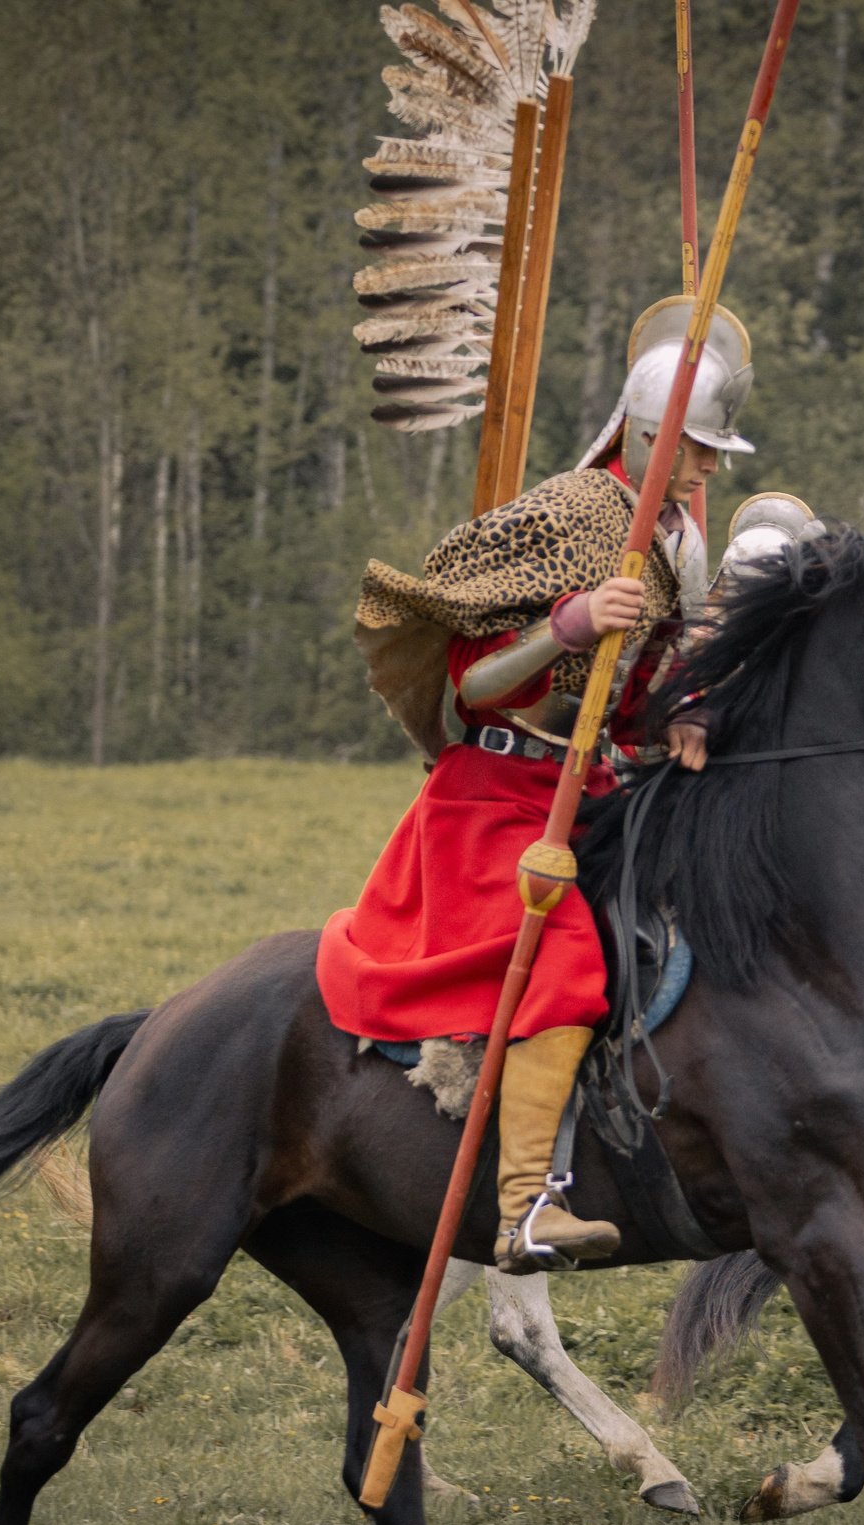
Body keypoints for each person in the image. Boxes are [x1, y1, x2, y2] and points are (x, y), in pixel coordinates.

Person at [318, 298, 754, 1274]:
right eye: (695, 448)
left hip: (587, 795)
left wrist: (678, 716)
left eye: (715, 453)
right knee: (566, 967)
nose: (708, 469)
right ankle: (525, 1207)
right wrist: (568, 623)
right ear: (644, 436)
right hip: (492, 799)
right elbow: (470, 685)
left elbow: (626, 710)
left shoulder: (671, 543)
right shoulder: (570, 512)